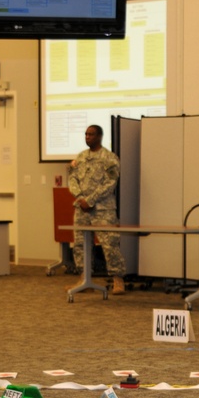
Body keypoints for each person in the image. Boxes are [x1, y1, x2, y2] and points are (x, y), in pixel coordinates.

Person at [67, 125, 126, 294]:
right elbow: (72, 178)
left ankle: (118, 279)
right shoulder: (81, 157)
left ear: (100, 136)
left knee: (109, 244)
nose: (87, 137)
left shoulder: (109, 158)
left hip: (103, 209)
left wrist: (90, 200)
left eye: (91, 134)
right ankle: (84, 279)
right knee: (79, 244)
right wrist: (80, 198)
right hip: (81, 209)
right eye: (86, 134)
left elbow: (110, 183)